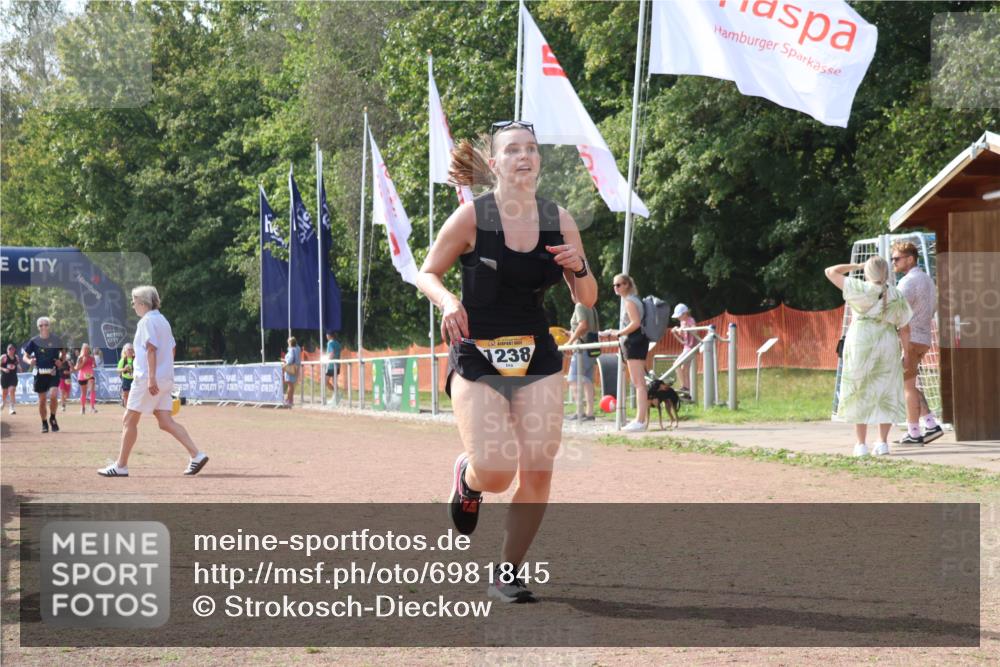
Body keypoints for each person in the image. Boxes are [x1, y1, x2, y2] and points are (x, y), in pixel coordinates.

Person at [415, 120, 596, 603]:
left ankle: (508, 571)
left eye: (532, 148)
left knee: (538, 466)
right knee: (496, 470)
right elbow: (427, 272)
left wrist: (578, 266)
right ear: (494, 164)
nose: (525, 156)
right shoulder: (472, 218)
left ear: (539, 160)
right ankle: (469, 480)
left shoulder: (558, 218)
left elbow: (588, 295)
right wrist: (449, 302)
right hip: (477, 352)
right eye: (513, 149)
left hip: (536, 351)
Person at [98, 285, 208, 477]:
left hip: (148, 379)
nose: (133, 305)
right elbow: (172, 349)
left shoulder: (146, 321)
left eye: (134, 302)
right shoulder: (163, 320)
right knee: (165, 421)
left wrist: (151, 378)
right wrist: (164, 372)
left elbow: (151, 349)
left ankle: (121, 466)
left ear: (142, 302)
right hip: (165, 378)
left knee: (129, 419)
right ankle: (196, 454)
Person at [825, 257, 912, 457]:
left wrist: (856, 266)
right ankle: (882, 443)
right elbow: (905, 328)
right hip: (887, 342)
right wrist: (906, 353)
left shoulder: (859, 288)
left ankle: (861, 444)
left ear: (868, 273)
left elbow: (830, 271)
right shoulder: (896, 294)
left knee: (859, 389)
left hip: (860, 342)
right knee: (887, 390)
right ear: (887, 273)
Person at [891, 241, 942, 445]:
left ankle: (914, 432)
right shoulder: (928, 280)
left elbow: (894, 311)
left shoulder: (907, 282)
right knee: (910, 383)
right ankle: (930, 424)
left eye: (897, 258)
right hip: (924, 338)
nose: (893, 262)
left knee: (908, 387)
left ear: (910, 259)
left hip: (909, 339)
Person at [601, 274, 649, 432]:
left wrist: (619, 333)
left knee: (639, 383)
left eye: (619, 285)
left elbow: (635, 323)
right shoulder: (635, 299)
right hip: (639, 341)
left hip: (633, 342)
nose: (616, 288)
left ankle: (640, 420)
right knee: (640, 382)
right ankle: (641, 419)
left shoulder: (629, 301)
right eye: (614, 285)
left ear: (627, 284)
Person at [22, 317, 64, 433]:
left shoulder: (56, 339)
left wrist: (61, 360)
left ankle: (53, 417)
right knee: (42, 400)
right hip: (39, 373)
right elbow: (25, 356)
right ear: (38, 327)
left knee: (54, 394)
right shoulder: (34, 341)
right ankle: (44, 422)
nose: (44, 327)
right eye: (41, 325)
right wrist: (29, 361)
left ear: (49, 326)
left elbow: (63, 353)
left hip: (53, 372)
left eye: (46, 325)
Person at [565, 296, 598, 421]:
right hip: (592, 348)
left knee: (572, 379)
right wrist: (572, 333)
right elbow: (588, 328)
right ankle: (590, 413)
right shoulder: (592, 307)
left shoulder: (579, 305)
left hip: (581, 348)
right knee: (587, 380)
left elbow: (583, 325)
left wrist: (570, 341)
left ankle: (580, 411)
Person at [670, 303, 699, 395]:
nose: (678, 318)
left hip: (691, 348)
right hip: (686, 347)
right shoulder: (682, 322)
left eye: (679, 316)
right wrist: (676, 330)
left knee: (676, 364)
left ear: (685, 314)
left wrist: (687, 328)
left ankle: (684, 387)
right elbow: (683, 336)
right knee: (684, 369)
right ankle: (689, 392)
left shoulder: (690, 320)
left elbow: (695, 330)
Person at [75, 343, 98, 414]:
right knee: (84, 393)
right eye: (85, 349)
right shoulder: (80, 358)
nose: (86, 350)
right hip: (82, 376)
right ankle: (83, 408)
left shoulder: (91, 357)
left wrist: (94, 364)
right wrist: (84, 362)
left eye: (87, 349)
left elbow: (95, 365)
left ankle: (92, 407)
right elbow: (77, 368)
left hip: (89, 375)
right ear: (82, 350)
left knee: (92, 389)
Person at [282, 336, 301, 408]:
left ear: (290, 343)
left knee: (289, 385)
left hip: (290, 368)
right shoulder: (297, 348)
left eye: (288, 342)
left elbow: (290, 359)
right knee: (292, 385)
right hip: (296, 368)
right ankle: (291, 400)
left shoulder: (291, 350)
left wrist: (285, 364)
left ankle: (287, 400)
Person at [1, 343, 19, 415]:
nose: (11, 351)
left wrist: (20, 367)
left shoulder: (16, 357)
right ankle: (3, 403)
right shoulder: (3, 357)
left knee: (12, 390)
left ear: (14, 350)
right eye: (9, 349)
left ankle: (11, 408)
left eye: (12, 349)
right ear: (7, 350)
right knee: (5, 393)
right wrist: (4, 369)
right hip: (5, 377)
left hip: (13, 377)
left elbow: (17, 363)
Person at [325, 331, 342, 396]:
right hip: (337, 365)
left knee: (325, 382)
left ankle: (336, 394)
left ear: (329, 335)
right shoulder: (338, 343)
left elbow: (332, 353)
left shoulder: (330, 343)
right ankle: (336, 395)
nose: (326, 336)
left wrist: (327, 360)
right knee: (334, 381)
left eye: (327, 334)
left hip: (331, 365)